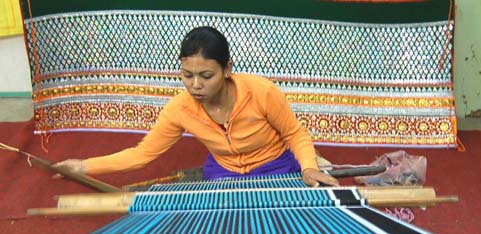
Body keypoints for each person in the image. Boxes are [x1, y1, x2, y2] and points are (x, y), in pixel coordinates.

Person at [56, 26, 339, 187]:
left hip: (274, 166)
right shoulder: (180, 109)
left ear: (227, 69)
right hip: (224, 173)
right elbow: (143, 154)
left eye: (206, 76)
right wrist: (83, 166)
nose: (195, 85)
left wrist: (308, 169)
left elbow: (294, 134)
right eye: (187, 75)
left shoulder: (261, 92)